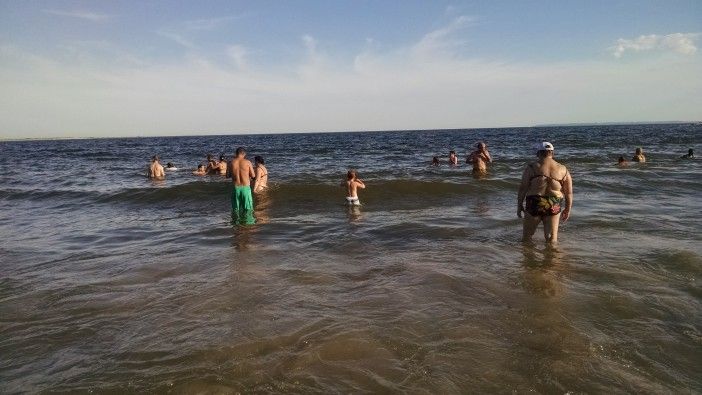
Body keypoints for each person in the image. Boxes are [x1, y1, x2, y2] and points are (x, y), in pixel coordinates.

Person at [517, 142, 573, 243]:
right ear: (552, 153)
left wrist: (519, 205)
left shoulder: (531, 167)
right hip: (553, 203)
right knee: (551, 238)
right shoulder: (563, 169)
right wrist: (568, 209)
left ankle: (529, 258)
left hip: (535, 202)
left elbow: (523, 188)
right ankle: (552, 258)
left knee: (527, 237)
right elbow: (568, 192)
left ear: (538, 153)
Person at [229, 147, 256, 224]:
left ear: (236, 153)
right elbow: (253, 175)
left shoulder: (231, 163)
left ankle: (236, 224)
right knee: (248, 208)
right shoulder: (247, 162)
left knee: (235, 208)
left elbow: (227, 175)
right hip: (245, 188)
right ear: (243, 154)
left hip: (235, 188)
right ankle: (248, 224)